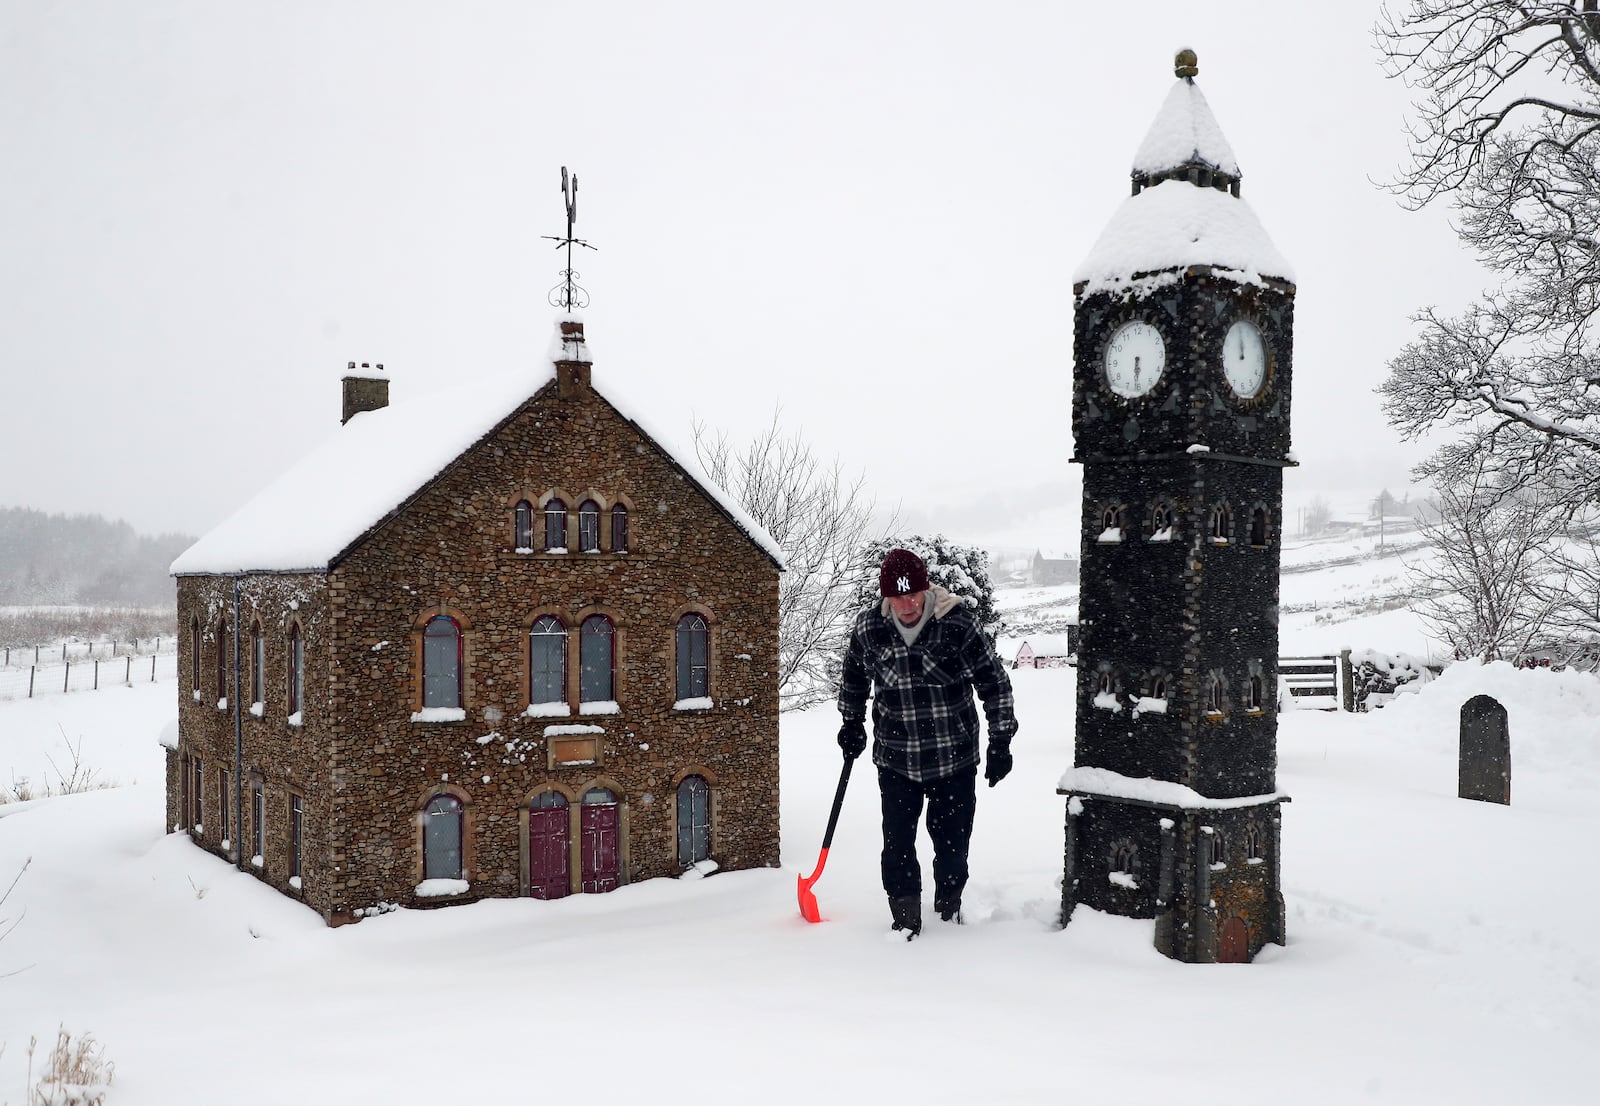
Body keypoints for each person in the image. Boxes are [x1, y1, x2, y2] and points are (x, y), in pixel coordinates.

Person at [836, 547, 1018, 939]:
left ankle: (948, 906)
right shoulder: (870, 629)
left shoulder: (957, 625)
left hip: (953, 757)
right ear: (886, 596)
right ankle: (905, 922)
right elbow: (853, 676)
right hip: (895, 758)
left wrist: (1000, 740)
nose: (907, 604)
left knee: (952, 846)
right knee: (897, 844)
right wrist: (851, 721)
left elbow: (994, 683)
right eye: (897, 596)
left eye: (913, 593)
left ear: (926, 588)